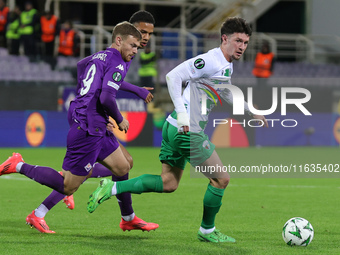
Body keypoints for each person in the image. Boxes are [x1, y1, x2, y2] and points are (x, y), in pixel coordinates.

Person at [87, 17, 268, 243]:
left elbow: (226, 91)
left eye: (246, 42)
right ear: (225, 39)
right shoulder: (211, 60)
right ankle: (207, 231)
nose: (242, 46)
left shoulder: (226, 64)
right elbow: (173, 76)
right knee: (221, 179)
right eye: (238, 40)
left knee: (168, 183)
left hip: (173, 127)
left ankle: (112, 187)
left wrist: (251, 110)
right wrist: (183, 114)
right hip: (186, 129)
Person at [0, 21, 153, 234]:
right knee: (68, 185)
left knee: (123, 166)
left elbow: (82, 65)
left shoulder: (102, 55)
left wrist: (86, 96)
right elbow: (108, 96)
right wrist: (119, 119)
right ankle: (18, 165)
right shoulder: (118, 60)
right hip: (90, 125)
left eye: (139, 45)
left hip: (88, 115)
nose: (137, 49)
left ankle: (128, 218)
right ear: (119, 40)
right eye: (134, 44)